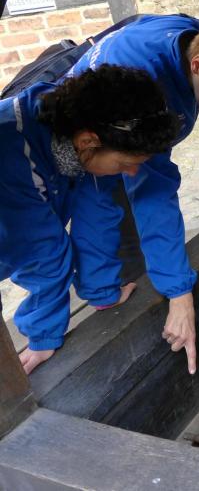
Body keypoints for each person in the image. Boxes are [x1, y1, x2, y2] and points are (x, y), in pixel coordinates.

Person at [65, 14, 199, 375]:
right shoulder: (144, 99)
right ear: (198, 65)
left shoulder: (195, 35)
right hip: (90, 144)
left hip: (114, 133)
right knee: (112, 226)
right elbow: (149, 192)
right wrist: (178, 294)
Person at [0, 65, 178, 374]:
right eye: (125, 163)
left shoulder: (82, 131)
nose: (132, 172)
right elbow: (44, 254)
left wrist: (102, 292)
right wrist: (43, 338)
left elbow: (98, 213)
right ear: (87, 142)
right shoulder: (15, 155)